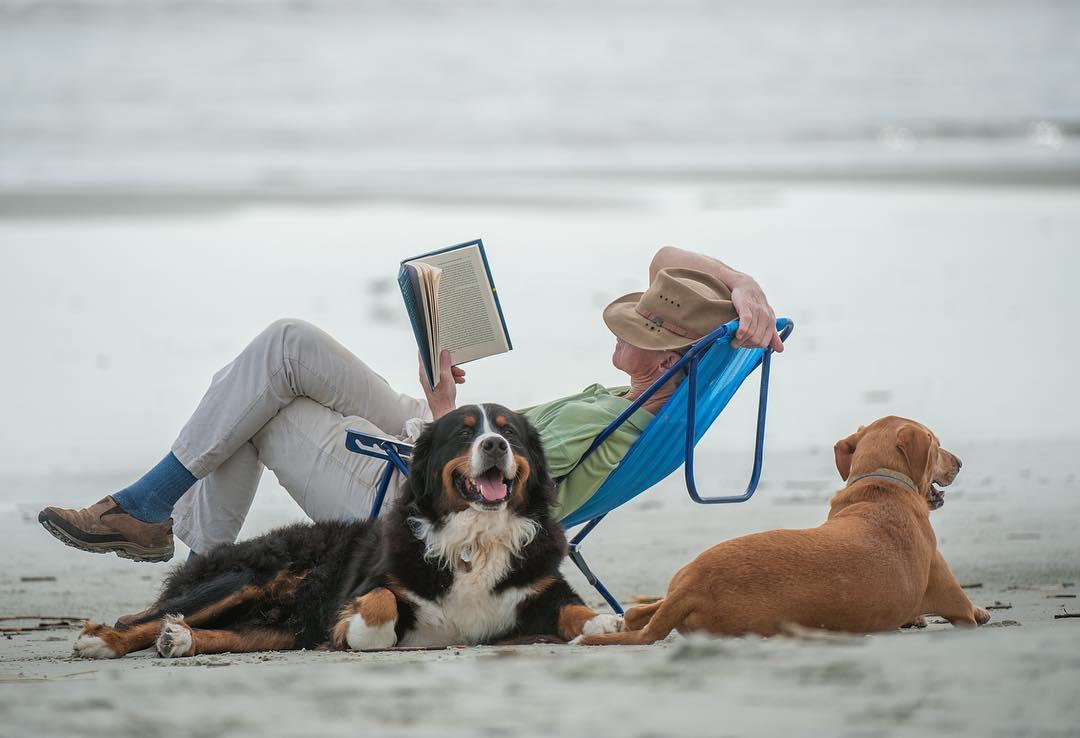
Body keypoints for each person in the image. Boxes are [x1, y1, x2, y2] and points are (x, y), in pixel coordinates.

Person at [38, 247, 782, 562]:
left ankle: (178, 541)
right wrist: (744, 286)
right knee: (285, 345)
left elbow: (476, 502)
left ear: (668, 355)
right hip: (451, 437)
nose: (619, 333)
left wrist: (435, 410)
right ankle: (158, 517)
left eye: (639, 330)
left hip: (413, 486)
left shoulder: (609, 430)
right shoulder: (642, 397)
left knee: (264, 408)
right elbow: (666, 258)